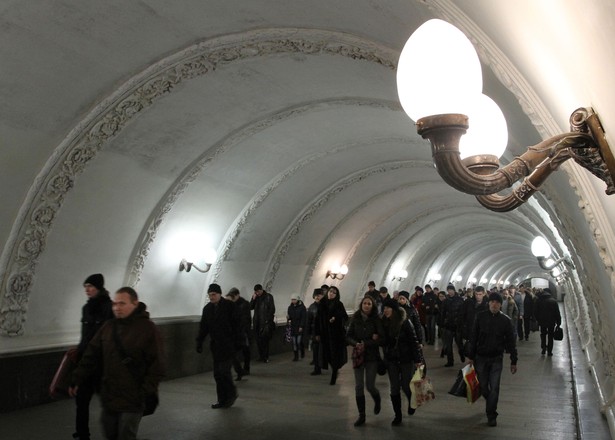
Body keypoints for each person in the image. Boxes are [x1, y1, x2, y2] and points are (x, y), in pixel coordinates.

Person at [69, 287, 164, 440]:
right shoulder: (108, 327)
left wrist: (146, 390)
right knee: (110, 433)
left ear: (135, 303)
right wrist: (77, 378)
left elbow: (157, 364)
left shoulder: (148, 329)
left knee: (126, 435)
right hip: (110, 395)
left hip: (134, 397)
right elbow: (90, 356)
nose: (117, 308)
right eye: (114, 304)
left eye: (122, 303)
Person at [466, 291, 518, 427]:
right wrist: (470, 356)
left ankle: (491, 414)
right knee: (483, 387)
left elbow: (511, 342)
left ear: (501, 305)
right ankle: (491, 403)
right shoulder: (480, 317)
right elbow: (473, 337)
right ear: (488, 303)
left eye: (497, 302)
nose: (494, 304)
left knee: (494, 387)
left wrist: (514, 360)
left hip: (496, 358)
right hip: (481, 358)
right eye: (492, 302)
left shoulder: (505, 320)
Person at [73, 274, 114, 440]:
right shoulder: (86, 308)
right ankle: (82, 434)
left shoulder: (109, 307)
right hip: (87, 360)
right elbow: (84, 337)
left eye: (90, 286)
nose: (87, 290)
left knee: (108, 402)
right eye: (85, 287)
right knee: (81, 400)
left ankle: (113, 433)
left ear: (99, 287)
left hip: (103, 363)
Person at [196, 283, 242, 409]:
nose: (211, 297)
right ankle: (222, 399)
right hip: (216, 346)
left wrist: (238, 342)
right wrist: (199, 341)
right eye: (210, 295)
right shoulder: (207, 309)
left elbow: (237, 325)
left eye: (214, 294)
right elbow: (204, 327)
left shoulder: (230, 306)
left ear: (220, 294)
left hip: (228, 344)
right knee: (217, 374)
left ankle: (231, 394)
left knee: (224, 371)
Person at [381, 298, 421, 425]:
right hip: (391, 359)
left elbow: (413, 341)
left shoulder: (405, 322)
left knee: (406, 385)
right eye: (384, 308)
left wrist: (418, 359)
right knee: (394, 388)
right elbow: (382, 341)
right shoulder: (383, 323)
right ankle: (397, 415)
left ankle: (412, 401)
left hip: (406, 359)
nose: (385, 310)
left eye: (388, 308)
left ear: (394, 309)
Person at [346, 295, 384, 426]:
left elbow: (380, 338)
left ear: (372, 306)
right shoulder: (355, 318)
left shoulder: (376, 320)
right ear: (361, 305)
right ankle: (361, 415)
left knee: (370, 386)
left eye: (369, 304)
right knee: (358, 386)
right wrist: (356, 343)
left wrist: (366, 343)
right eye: (364, 303)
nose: (366, 305)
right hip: (358, 356)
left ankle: (377, 399)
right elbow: (348, 336)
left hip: (371, 357)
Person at [315, 286, 348, 385]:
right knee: (327, 354)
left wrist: (336, 317)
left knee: (334, 355)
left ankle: (334, 373)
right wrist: (317, 333)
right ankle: (334, 367)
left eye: (334, 292)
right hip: (325, 333)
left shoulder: (339, 304)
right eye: (330, 291)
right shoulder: (322, 304)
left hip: (336, 335)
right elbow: (317, 319)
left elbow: (345, 317)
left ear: (336, 295)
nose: (331, 294)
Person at [225, 287, 251, 380]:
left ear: (237, 295)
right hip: (236, 334)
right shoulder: (233, 305)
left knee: (245, 351)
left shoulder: (244, 304)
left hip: (243, 332)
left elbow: (244, 320)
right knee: (235, 353)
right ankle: (240, 371)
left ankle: (245, 369)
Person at [250, 284, 276, 363]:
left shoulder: (268, 297)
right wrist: (253, 299)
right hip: (257, 322)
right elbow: (250, 307)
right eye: (256, 292)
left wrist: (267, 320)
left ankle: (266, 356)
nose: (257, 293)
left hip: (265, 322)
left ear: (261, 290)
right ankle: (261, 356)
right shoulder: (256, 297)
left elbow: (272, 309)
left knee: (265, 340)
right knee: (258, 340)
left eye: (258, 291)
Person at [440, 285, 464, 367]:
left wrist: (462, 323)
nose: (450, 292)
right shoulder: (446, 301)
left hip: (457, 325)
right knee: (448, 345)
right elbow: (442, 313)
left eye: (451, 290)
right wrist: (442, 323)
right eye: (448, 290)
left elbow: (463, 313)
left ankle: (462, 353)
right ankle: (450, 361)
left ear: (454, 290)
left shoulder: (460, 300)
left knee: (459, 344)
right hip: (448, 325)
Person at [534, 288, 561, 356]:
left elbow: (535, 311)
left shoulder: (539, 300)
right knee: (550, 336)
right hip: (551, 321)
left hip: (542, 321)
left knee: (543, 334)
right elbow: (557, 313)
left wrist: (538, 319)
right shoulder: (553, 301)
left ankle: (543, 348)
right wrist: (558, 322)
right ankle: (549, 351)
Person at [287, 294, 307, 361]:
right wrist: (288, 318)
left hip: (299, 326)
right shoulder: (290, 307)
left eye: (294, 299)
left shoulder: (302, 307)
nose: (293, 301)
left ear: (297, 299)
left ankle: (302, 351)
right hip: (293, 326)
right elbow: (290, 316)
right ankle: (296, 356)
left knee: (298, 341)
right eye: (292, 299)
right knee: (294, 342)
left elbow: (303, 317)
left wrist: (301, 326)